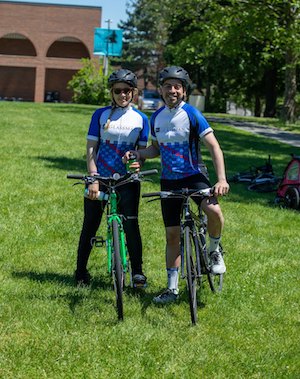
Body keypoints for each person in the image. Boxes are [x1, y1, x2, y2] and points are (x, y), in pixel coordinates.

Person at [123, 66, 229, 304]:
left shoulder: (192, 114)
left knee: (214, 210)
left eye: (177, 86)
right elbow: (156, 149)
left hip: (194, 175)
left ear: (184, 91)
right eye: (168, 86)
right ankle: (172, 289)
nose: (173, 90)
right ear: (161, 89)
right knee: (172, 235)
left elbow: (214, 146)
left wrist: (221, 179)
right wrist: (138, 154)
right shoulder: (156, 117)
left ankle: (213, 250)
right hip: (169, 180)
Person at [75, 68, 149, 287]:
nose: (122, 95)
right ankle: (80, 271)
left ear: (133, 93)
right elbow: (91, 149)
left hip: (127, 180)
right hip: (100, 178)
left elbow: (141, 154)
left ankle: (137, 272)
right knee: (90, 225)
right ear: (112, 92)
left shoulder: (141, 119)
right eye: (118, 91)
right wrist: (93, 178)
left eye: (127, 91)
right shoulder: (100, 115)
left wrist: (138, 163)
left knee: (131, 225)